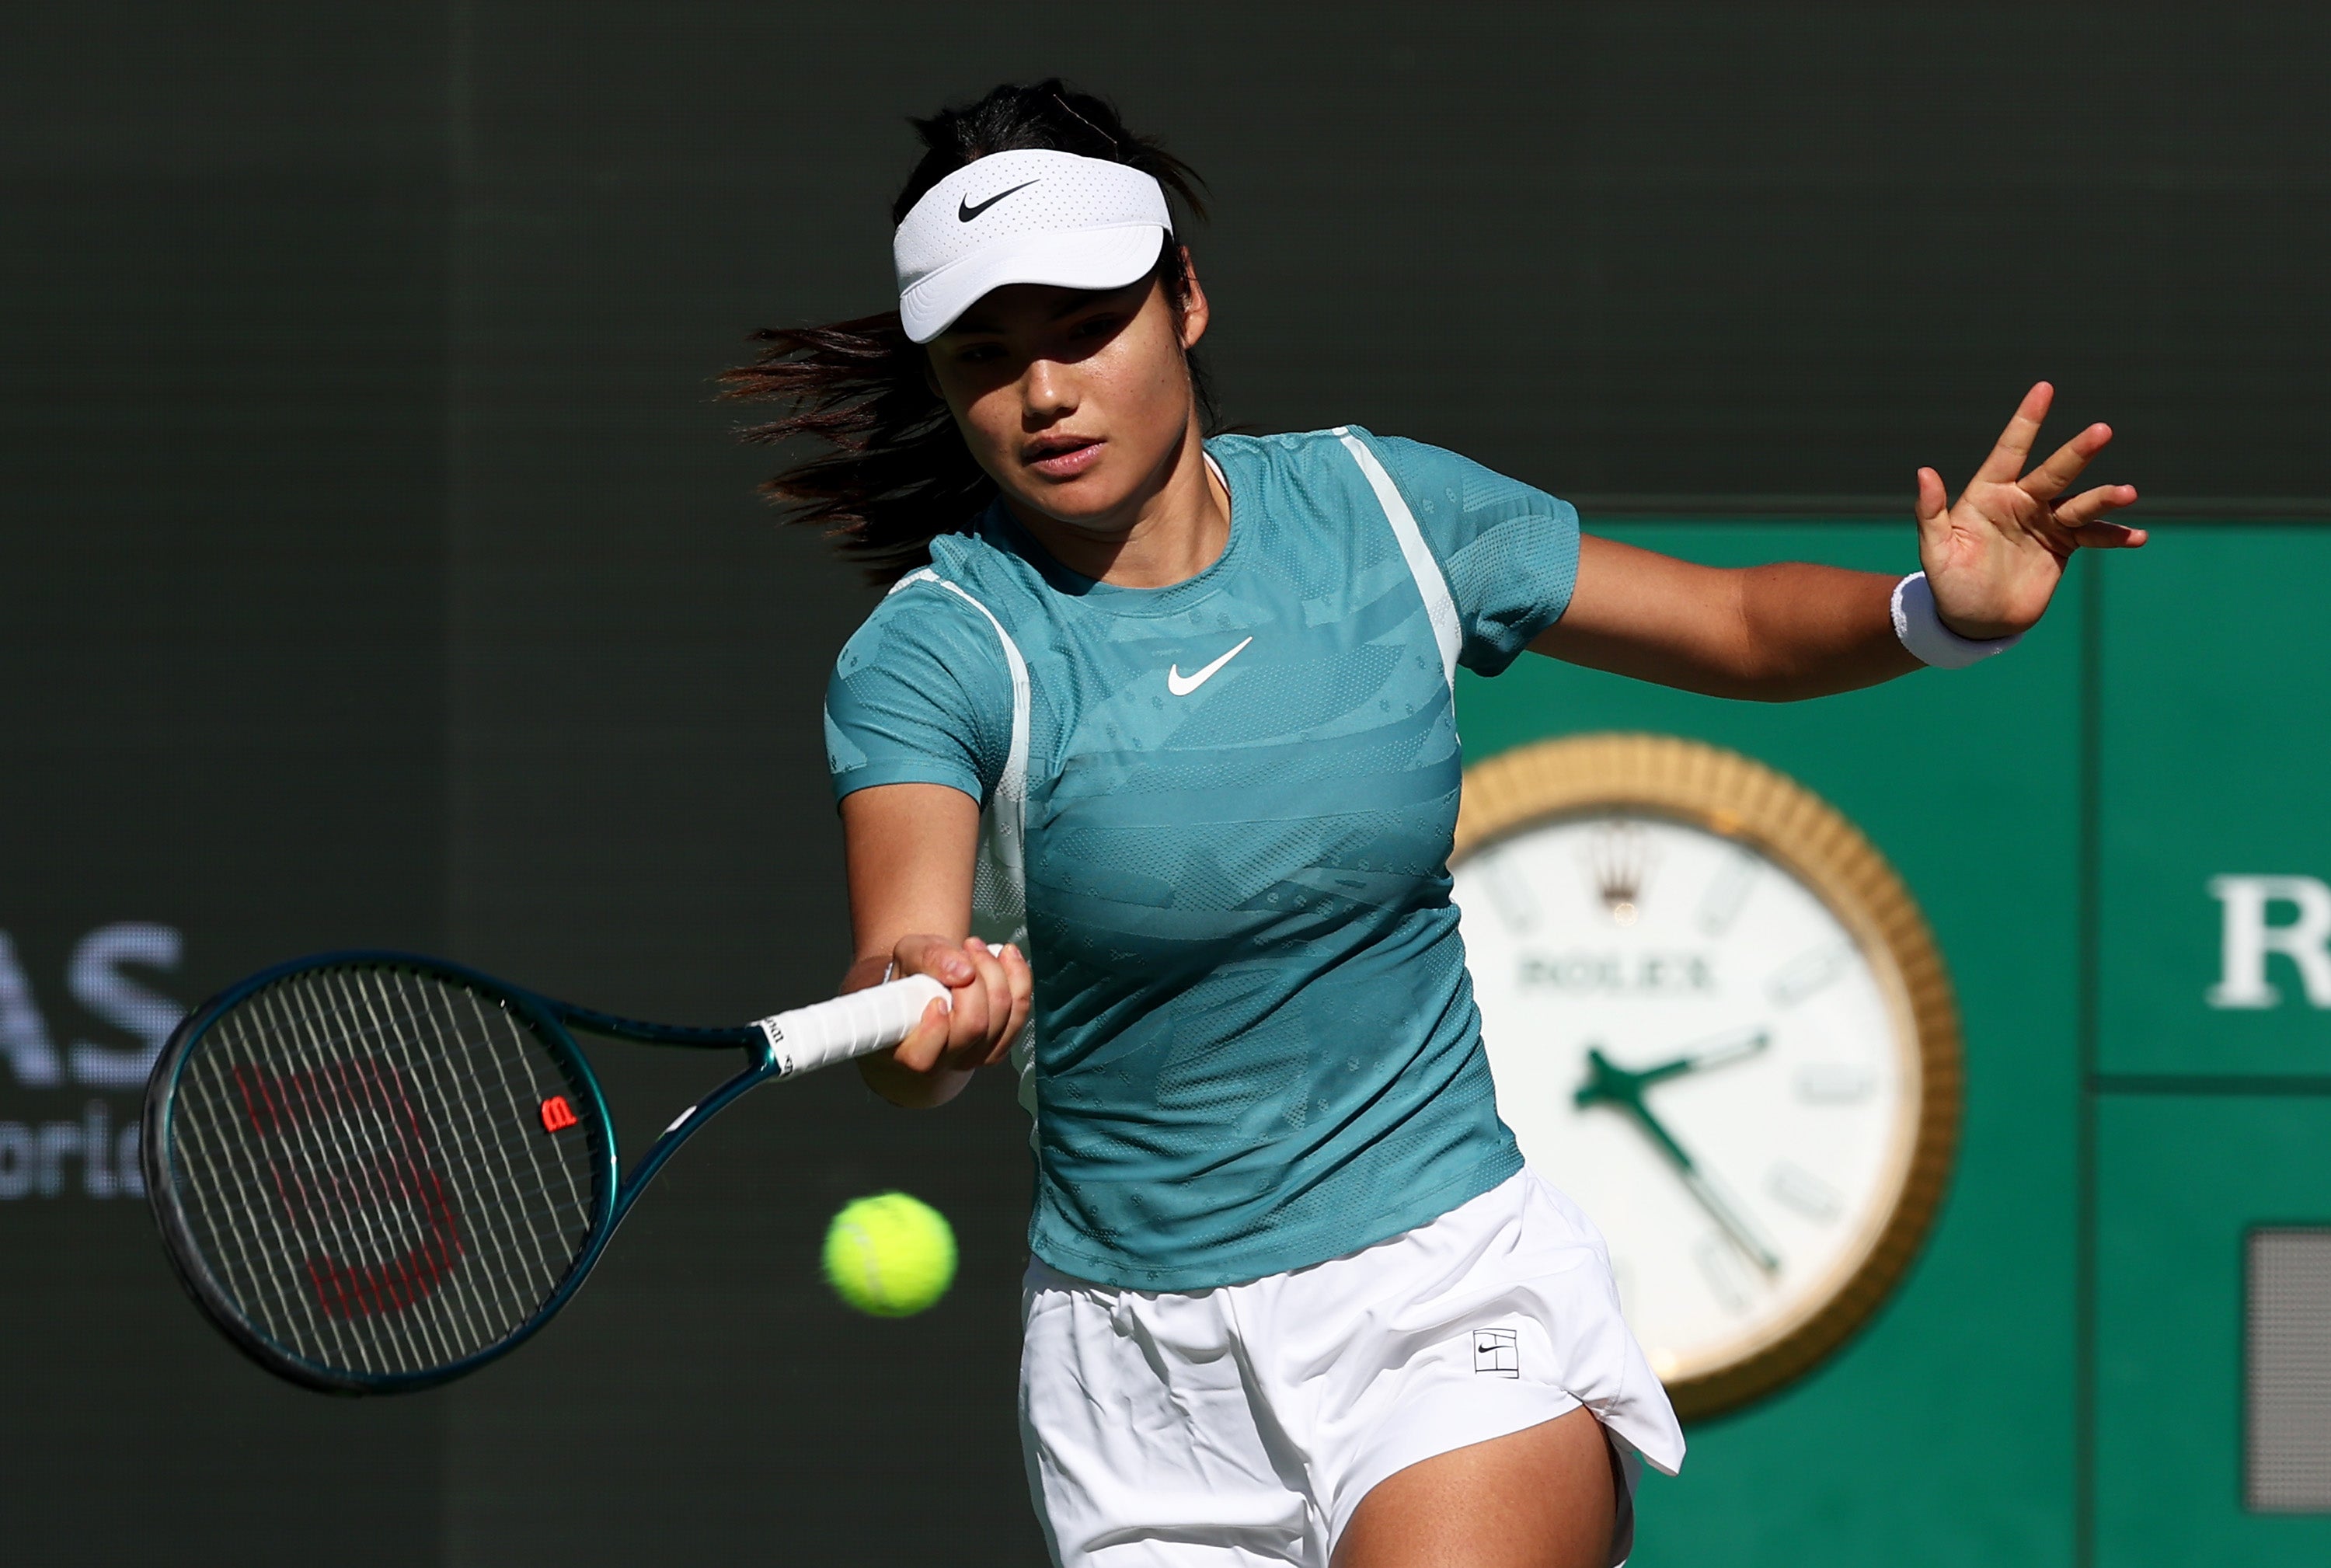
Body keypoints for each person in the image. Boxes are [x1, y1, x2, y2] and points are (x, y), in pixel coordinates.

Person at [726, 79, 2141, 1568]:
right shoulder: (935, 654)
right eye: (986, 357)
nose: (1045, 394)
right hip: (1141, 1384)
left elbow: (1732, 622)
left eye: (1085, 328)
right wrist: (930, 1017)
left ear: (1184, 298)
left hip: (1446, 1295)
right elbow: (904, 977)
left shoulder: (1382, 509)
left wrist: (1934, 614)